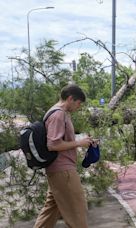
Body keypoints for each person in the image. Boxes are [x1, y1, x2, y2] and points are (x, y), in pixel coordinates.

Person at [34, 84, 95, 228]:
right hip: (63, 171)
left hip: (58, 170)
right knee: (77, 211)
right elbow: (53, 145)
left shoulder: (58, 113)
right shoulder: (58, 114)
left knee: (50, 211)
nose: (78, 107)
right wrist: (79, 143)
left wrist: (84, 142)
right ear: (70, 99)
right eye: (78, 103)